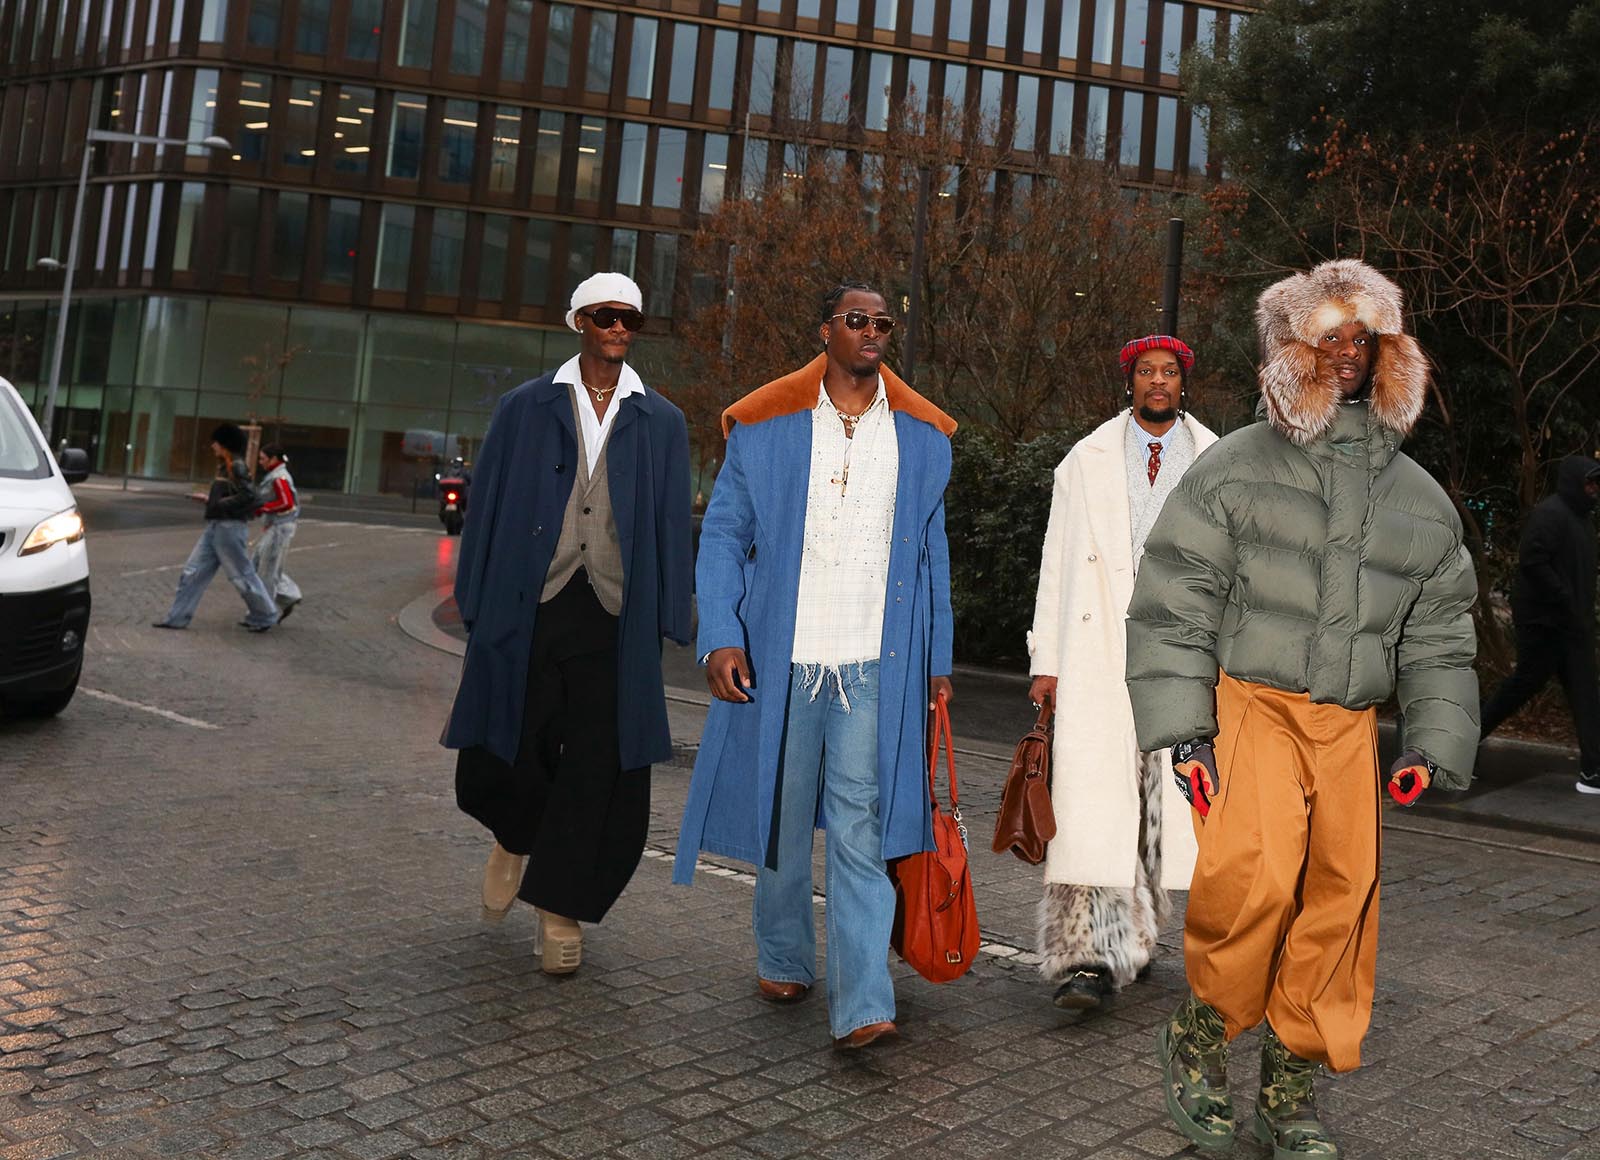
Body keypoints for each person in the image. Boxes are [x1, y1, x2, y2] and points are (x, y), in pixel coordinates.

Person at [1126, 259, 1479, 1156]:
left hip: (1349, 724)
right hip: (1252, 703)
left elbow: (1439, 630)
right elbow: (1176, 597)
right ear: (1293, 350)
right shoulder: (1237, 468)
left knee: (1340, 901)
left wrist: (1433, 738)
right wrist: (1185, 731)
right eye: (1330, 337)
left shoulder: (1421, 502)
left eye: (1365, 337)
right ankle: (1202, 1033)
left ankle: (1290, 1083)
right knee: (1256, 876)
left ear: (1389, 352)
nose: (1349, 353)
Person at [673, 282, 957, 1051]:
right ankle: (785, 954)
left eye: (883, 323)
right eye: (856, 321)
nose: (872, 333)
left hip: (874, 665)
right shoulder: (767, 428)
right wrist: (722, 634)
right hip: (785, 658)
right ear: (825, 330)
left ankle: (864, 1002)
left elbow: (932, 554)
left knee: (863, 828)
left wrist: (939, 657)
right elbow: (725, 535)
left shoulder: (921, 436)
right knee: (782, 818)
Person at [442, 272, 693, 974]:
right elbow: (487, 504)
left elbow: (673, 519)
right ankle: (512, 840)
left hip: (614, 615)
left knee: (598, 767)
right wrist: (475, 599)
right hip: (531, 602)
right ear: (579, 320)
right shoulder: (525, 407)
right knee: (507, 749)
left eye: (632, 319)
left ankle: (559, 912)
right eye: (608, 316)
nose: (621, 328)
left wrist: (675, 614)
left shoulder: (661, 419)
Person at [1026, 335, 1217, 1013]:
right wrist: (1045, 659)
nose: (1157, 383)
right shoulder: (1085, 461)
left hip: (1185, 653)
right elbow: (1056, 558)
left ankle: (1205, 952)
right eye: (1146, 372)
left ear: (1182, 383)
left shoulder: (1217, 457)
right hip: (1097, 651)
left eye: (1168, 373)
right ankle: (1088, 957)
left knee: (1182, 807)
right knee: (1094, 807)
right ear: (1129, 382)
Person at [1478, 455, 1600, 795]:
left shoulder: (1581, 520)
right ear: (1575, 483)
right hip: (1545, 626)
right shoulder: (1552, 515)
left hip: (1572, 626)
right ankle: (1464, 745)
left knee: (1586, 694)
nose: (1594, 489)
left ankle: (1593, 770)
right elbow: (1533, 561)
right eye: (1589, 483)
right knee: (1521, 687)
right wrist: (1564, 599)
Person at [153, 423, 280, 633]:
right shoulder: (226, 466)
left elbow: (251, 496)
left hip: (228, 528)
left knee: (241, 574)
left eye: (216, 442)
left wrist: (218, 504)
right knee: (192, 572)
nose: (212, 446)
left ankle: (265, 614)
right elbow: (234, 495)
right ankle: (176, 618)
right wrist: (209, 500)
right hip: (217, 526)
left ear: (225, 445)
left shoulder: (236, 466)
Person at [251, 444, 302, 622]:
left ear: (274, 459)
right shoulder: (276, 475)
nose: (260, 462)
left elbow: (287, 502)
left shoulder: (279, 478)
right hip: (277, 526)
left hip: (280, 528)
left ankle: (265, 613)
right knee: (260, 564)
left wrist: (263, 508)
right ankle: (287, 596)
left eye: (263, 458)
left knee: (266, 569)